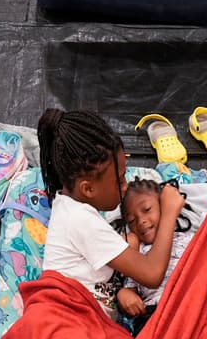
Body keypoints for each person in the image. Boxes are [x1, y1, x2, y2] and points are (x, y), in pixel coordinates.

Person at [37, 108, 185, 315]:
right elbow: (152, 273)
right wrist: (169, 213)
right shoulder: (80, 220)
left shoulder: (69, 207)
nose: (125, 187)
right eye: (120, 180)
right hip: (65, 319)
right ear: (88, 189)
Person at [113, 178, 199, 332]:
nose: (141, 221)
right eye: (131, 220)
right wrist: (124, 294)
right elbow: (130, 289)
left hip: (191, 304)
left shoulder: (190, 240)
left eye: (147, 210)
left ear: (164, 206)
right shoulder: (138, 255)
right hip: (153, 315)